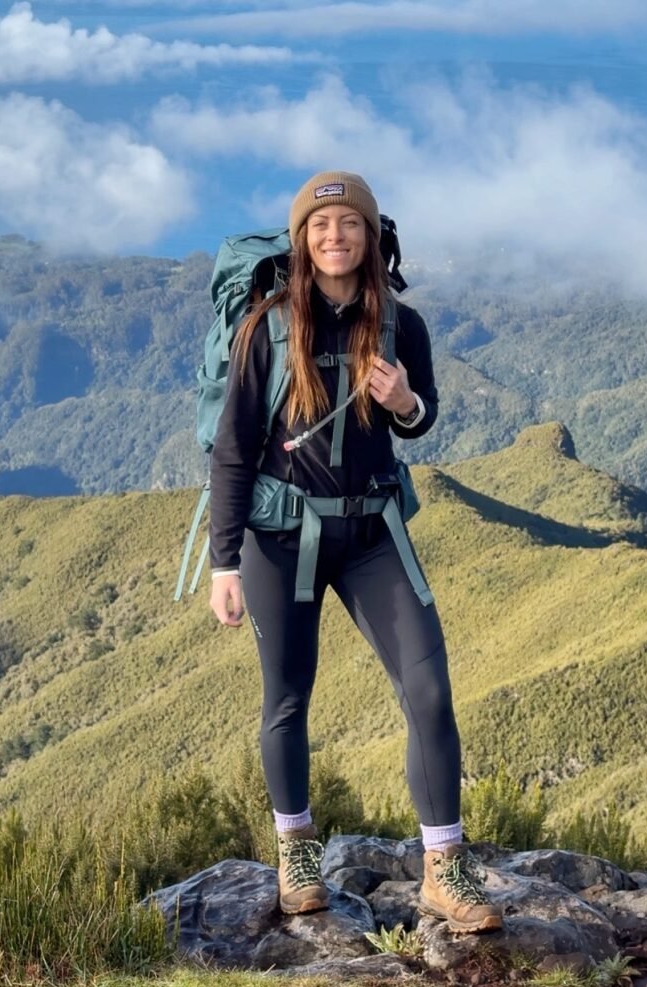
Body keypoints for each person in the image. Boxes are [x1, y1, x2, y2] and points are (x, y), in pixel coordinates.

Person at [208, 170, 502, 934]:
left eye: (348, 224)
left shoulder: (402, 325)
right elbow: (233, 450)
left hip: (373, 533)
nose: (334, 236)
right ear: (301, 241)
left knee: (428, 692)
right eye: (319, 226)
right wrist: (223, 563)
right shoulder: (268, 328)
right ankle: (296, 855)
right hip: (283, 539)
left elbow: (421, 416)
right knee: (287, 697)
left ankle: (444, 869)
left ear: (371, 238)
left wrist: (404, 402)